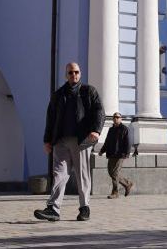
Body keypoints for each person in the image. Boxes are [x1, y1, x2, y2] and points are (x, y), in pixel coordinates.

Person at [34, 62, 104, 222]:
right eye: (71, 72)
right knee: (59, 174)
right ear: (66, 75)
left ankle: (84, 208)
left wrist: (96, 130)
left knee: (82, 174)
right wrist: (47, 140)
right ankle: (53, 209)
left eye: (76, 72)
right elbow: (50, 118)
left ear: (80, 73)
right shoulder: (58, 95)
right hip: (60, 141)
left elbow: (99, 111)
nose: (74, 75)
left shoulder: (88, 91)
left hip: (81, 140)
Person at [98, 112, 134, 198]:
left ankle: (115, 192)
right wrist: (102, 151)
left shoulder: (125, 129)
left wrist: (126, 153)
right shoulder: (111, 130)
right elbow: (107, 142)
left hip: (120, 154)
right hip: (111, 154)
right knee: (111, 172)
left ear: (121, 119)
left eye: (118, 117)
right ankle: (127, 184)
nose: (115, 118)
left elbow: (128, 142)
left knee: (115, 173)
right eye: (114, 117)